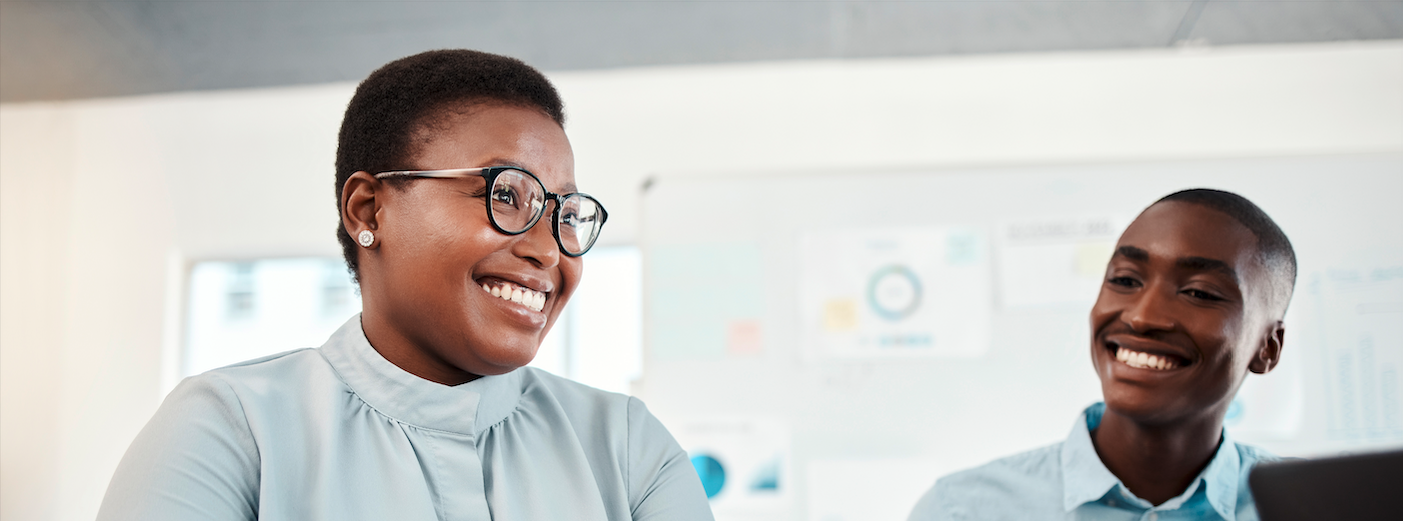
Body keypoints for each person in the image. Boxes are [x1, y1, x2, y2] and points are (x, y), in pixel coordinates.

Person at [97, 50, 715, 521]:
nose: (546, 247)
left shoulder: (627, 448)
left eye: (564, 212)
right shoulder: (232, 431)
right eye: (507, 195)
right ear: (369, 211)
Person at [909, 189, 1295, 521]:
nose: (1142, 317)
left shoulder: (1318, 508)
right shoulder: (961, 511)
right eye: (1125, 280)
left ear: (1268, 347)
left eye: (1199, 293)